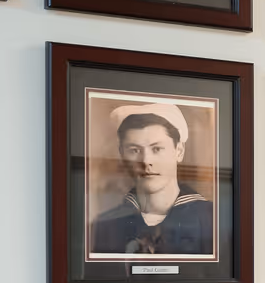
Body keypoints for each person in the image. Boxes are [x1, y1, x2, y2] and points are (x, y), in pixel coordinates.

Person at [90, 102, 214, 256]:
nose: (145, 160)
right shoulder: (106, 225)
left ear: (179, 151)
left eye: (157, 149)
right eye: (134, 150)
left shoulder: (212, 218)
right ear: (122, 154)